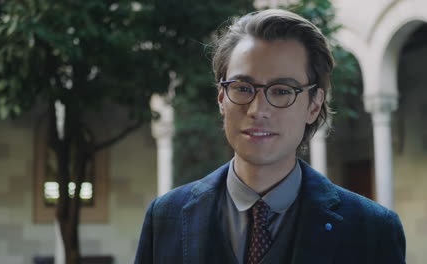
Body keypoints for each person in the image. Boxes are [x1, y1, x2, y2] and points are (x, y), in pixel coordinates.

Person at [135, 9, 406, 264]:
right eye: (242, 88)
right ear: (221, 98)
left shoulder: (373, 230)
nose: (258, 110)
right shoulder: (164, 218)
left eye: (281, 91)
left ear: (314, 105)